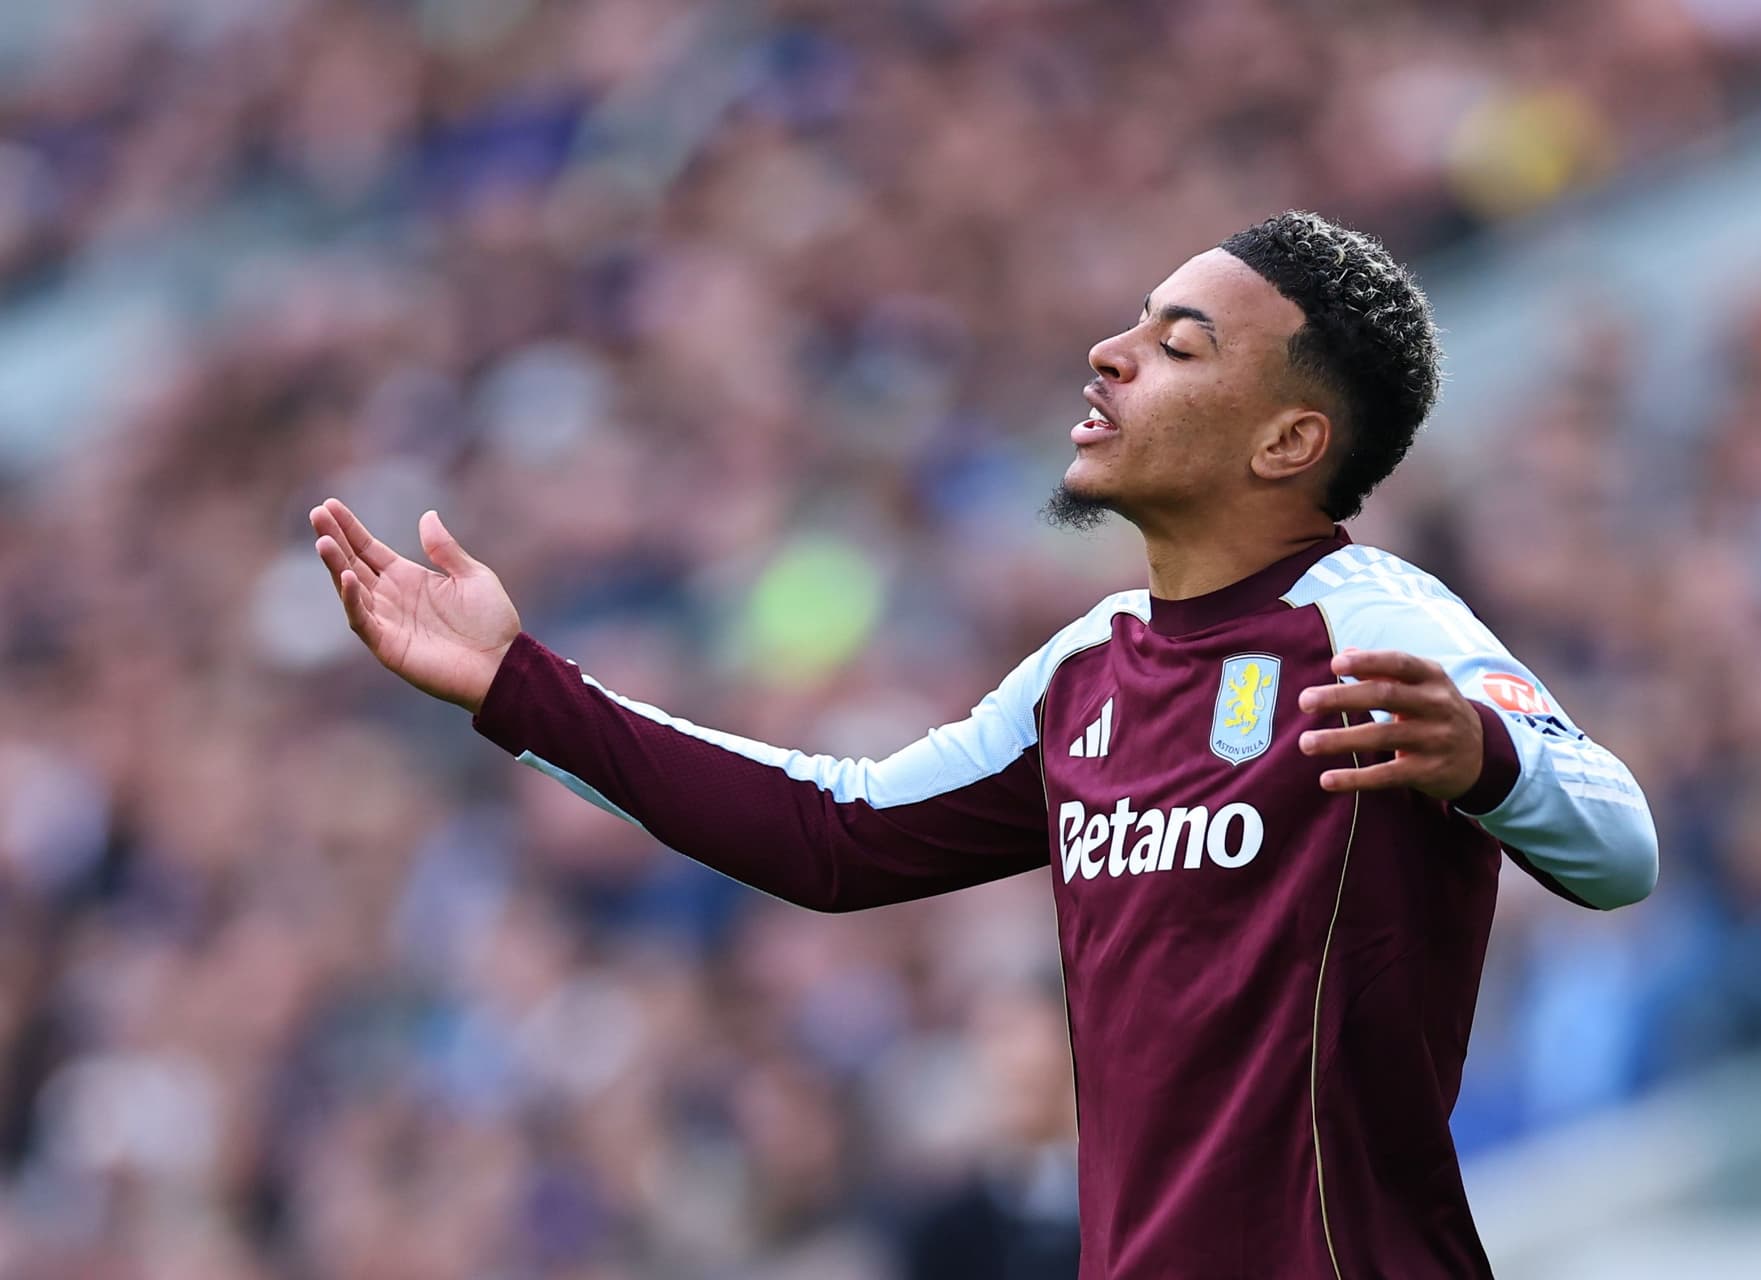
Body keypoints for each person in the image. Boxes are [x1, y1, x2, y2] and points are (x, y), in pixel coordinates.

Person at [311, 211, 1657, 1279]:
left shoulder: (1375, 626)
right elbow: (835, 834)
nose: (1111, 356)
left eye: (1180, 346)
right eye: (1133, 326)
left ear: (1290, 439)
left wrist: (1483, 758)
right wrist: (514, 684)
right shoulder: (1090, 669)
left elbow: (1620, 843)